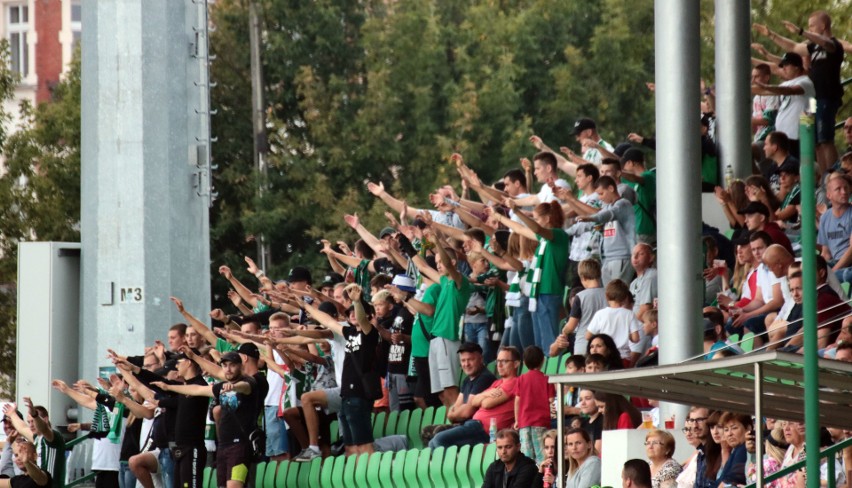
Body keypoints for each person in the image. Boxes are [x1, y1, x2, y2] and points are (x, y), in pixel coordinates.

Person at [152, 350, 260, 488]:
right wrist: (168, 387)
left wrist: (234, 386)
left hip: (240, 446)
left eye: (232, 365)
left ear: (240, 365)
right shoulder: (222, 385)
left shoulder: (248, 382)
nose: (228, 369)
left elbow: (244, 388)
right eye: (225, 365)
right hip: (223, 446)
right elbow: (197, 390)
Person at [754, 11, 844, 171]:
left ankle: (832, 173)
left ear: (822, 26)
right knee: (816, 141)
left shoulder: (834, 45)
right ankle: (825, 178)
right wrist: (772, 35)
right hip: (814, 101)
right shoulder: (814, 47)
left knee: (825, 139)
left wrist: (801, 32)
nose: (809, 29)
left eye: (811, 26)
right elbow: (794, 47)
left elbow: (826, 44)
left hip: (826, 97)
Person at [493, 200, 568, 353]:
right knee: (540, 342)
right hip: (538, 294)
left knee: (549, 340)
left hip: (549, 291)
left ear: (547, 218)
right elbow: (520, 229)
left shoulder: (558, 235)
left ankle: (552, 372)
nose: (535, 222)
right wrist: (498, 217)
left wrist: (518, 211)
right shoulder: (544, 239)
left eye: (537, 218)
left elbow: (536, 229)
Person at [428, 346, 519, 449]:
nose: (500, 365)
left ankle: (455, 464)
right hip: (474, 425)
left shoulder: (514, 383)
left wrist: (483, 397)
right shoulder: (497, 383)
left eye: (504, 361)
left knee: (439, 440)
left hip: (485, 430)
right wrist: (486, 395)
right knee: (432, 442)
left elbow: (486, 404)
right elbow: (474, 402)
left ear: (516, 364)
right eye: (498, 361)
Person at [751, 52, 815, 159]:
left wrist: (764, 86)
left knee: (797, 167)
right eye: (783, 66)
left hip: (798, 135)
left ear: (797, 67)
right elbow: (765, 91)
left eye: (787, 65)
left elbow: (788, 91)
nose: (784, 68)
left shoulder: (806, 82)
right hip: (783, 136)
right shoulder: (785, 83)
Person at [3, 400, 65, 487]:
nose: (31, 425)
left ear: (45, 420)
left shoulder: (53, 437)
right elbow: (22, 427)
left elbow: (44, 429)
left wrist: (35, 415)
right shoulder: (37, 438)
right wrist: (12, 414)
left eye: (33, 421)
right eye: (29, 422)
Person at [557, 259, 607, 356]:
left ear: (583, 277)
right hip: (605, 343)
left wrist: (564, 331)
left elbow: (571, 326)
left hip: (584, 345)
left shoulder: (580, 296)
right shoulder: (608, 294)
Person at [514, 346, 555, 463]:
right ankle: (542, 478)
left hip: (524, 423)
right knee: (542, 455)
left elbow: (517, 400)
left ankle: (529, 478)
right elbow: (551, 400)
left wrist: (517, 420)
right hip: (541, 422)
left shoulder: (521, 379)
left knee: (527, 457)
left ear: (525, 362)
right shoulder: (547, 379)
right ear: (543, 360)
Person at [585, 280, 641, 362]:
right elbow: (636, 339)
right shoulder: (630, 314)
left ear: (606, 296)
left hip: (604, 357)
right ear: (625, 297)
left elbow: (588, 336)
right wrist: (626, 335)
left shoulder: (600, 314)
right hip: (623, 357)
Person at [818, 175, 852, 283]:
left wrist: (832, 273)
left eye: (846, 188)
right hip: (835, 263)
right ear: (829, 195)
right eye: (838, 189)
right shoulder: (825, 217)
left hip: (849, 266)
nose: (844, 192)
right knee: (808, 270)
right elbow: (826, 253)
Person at [620, 148, 657, 245]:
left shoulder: (649, 176)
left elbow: (636, 178)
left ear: (630, 163)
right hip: (634, 230)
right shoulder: (628, 180)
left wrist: (618, 172)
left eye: (624, 164)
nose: (623, 168)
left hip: (645, 229)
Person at [717, 412, 751, 486]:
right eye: (726, 430)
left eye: (734, 428)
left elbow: (731, 481)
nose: (729, 433)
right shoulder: (736, 450)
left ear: (748, 428)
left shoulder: (744, 449)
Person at [751, 64, 779, 144]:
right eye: (752, 77)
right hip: (758, 138)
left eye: (756, 77)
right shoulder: (756, 98)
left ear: (767, 78)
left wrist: (745, 120)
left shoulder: (772, 95)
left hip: (770, 138)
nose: (753, 81)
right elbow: (754, 128)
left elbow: (769, 120)